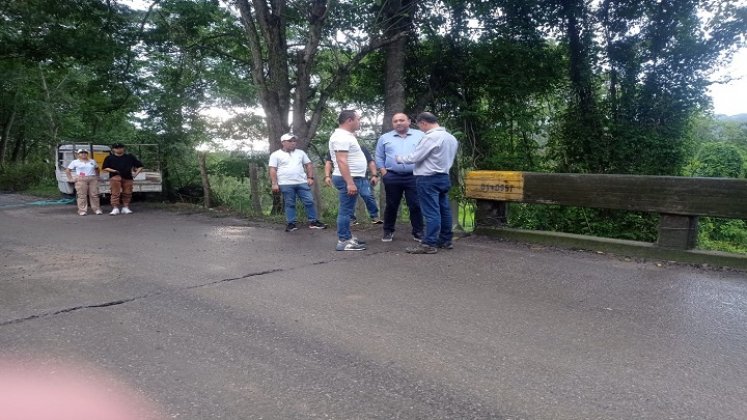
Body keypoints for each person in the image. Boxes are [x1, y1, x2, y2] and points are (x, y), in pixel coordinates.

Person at [396, 112, 459, 254]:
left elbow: (416, 157)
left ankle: (429, 243)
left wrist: (400, 158)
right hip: (443, 176)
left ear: (423, 123)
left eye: (420, 126)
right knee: (444, 210)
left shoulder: (431, 137)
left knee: (431, 212)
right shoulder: (451, 138)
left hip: (428, 178)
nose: (420, 129)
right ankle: (445, 240)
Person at [375, 112, 425, 242]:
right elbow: (379, 156)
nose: (398, 123)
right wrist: (383, 171)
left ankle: (418, 232)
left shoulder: (420, 135)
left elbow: (426, 153)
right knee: (391, 205)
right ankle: (388, 231)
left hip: (414, 176)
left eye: (401, 120)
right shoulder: (385, 138)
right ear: (393, 124)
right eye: (395, 121)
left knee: (415, 204)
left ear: (409, 121)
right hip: (392, 176)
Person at [269, 133, 327, 232]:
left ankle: (313, 222)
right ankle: (291, 223)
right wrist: (274, 183)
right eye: (290, 141)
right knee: (289, 203)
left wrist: (310, 177)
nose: (293, 143)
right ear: (283, 142)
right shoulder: (276, 154)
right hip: (285, 184)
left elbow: (308, 164)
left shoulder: (301, 153)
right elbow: (273, 169)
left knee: (309, 201)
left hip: (302, 182)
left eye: (294, 141)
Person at [329, 110, 368, 251]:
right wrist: (350, 183)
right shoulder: (341, 137)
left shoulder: (346, 136)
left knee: (348, 210)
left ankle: (347, 236)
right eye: (358, 119)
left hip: (350, 177)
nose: (360, 122)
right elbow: (341, 160)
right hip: (347, 179)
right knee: (346, 211)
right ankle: (344, 241)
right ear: (349, 120)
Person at [324, 146, 382, 225]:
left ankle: (374, 216)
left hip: (361, 178)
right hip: (344, 178)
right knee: (348, 198)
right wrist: (327, 176)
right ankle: (351, 219)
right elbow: (328, 162)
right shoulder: (336, 148)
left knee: (367, 195)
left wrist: (374, 175)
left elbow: (370, 162)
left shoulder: (362, 148)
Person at [102, 143, 144, 215]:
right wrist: (114, 171)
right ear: (113, 149)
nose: (119, 149)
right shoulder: (109, 158)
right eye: (116, 148)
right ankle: (115, 208)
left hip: (128, 177)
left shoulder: (130, 157)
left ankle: (126, 207)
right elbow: (105, 167)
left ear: (123, 148)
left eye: (120, 147)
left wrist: (135, 174)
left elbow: (140, 166)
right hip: (115, 176)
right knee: (115, 193)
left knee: (128, 192)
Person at [65, 148, 103, 216]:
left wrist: (97, 176)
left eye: (85, 153)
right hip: (81, 178)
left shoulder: (92, 161)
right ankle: (82, 210)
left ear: (87, 154)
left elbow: (97, 169)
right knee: (82, 195)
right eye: (81, 153)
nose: (83, 154)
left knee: (94, 194)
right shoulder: (75, 162)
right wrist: (71, 178)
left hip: (92, 178)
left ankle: (97, 209)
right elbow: (68, 170)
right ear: (78, 154)